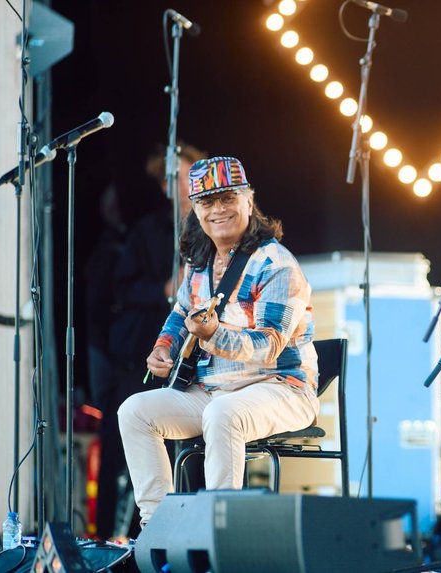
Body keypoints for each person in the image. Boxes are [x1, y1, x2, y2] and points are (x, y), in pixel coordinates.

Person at [118, 155, 319, 527]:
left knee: (222, 414)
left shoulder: (276, 264)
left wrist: (213, 335)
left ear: (248, 199)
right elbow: (180, 314)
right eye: (207, 202)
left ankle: (215, 533)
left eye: (228, 198)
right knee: (134, 411)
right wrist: (163, 346)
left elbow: (269, 345)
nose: (218, 210)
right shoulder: (200, 262)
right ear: (195, 209)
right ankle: (160, 528)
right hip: (213, 391)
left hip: (281, 388)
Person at [95, 143, 206, 539]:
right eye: (171, 177)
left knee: (190, 443)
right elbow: (121, 291)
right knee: (121, 439)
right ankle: (107, 537)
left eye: (186, 175)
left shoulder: (216, 230)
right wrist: (164, 289)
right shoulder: (147, 231)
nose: (178, 184)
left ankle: (187, 531)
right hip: (142, 349)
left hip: (197, 357)